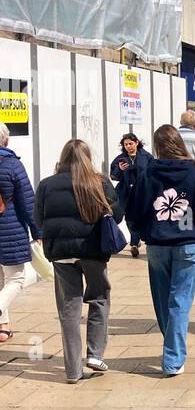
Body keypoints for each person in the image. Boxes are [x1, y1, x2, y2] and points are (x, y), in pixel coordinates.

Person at [126, 124, 195, 377]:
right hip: (189, 245)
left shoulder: (148, 173)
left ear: (157, 147)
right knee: (179, 302)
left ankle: (172, 352)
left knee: (163, 300)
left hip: (157, 245)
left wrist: (141, 232)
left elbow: (134, 210)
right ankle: (173, 356)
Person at [34, 139, 124, 382]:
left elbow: (39, 220)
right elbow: (117, 215)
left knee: (69, 309)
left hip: (62, 255)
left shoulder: (46, 185)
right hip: (92, 251)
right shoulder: (99, 182)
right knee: (99, 298)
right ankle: (95, 354)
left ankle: (73, 371)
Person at [0, 121, 37, 345]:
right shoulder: (11, 164)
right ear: (6, 140)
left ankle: (3, 327)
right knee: (16, 278)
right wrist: (38, 229)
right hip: (8, 228)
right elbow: (27, 201)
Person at [110, 133, 150, 256]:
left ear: (137, 143)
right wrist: (120, 170)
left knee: (138, 217)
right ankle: (135, 241)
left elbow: (152, 173)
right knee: (128, 218)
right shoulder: (120, 158)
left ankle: (134, 242)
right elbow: (113, 175)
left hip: (141, 192)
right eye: (126, 144)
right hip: (125, 192)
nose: (128, 146)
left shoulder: (146, 157)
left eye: (130, 144)